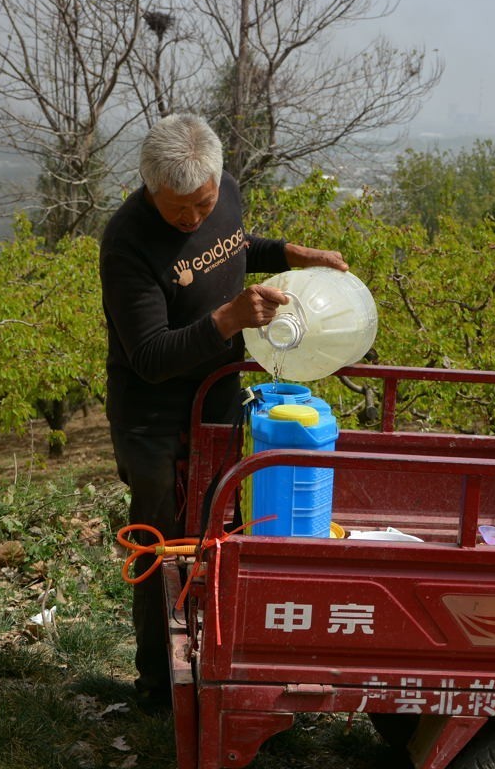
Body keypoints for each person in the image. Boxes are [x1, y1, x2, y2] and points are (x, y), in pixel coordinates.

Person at [99, 113, 346, 707]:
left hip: (217, 398)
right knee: (165, 548)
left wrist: (290, 252)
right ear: (148, 185)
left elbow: (230, 249)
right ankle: (160, 685)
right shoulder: (128, 242)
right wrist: (230, 319)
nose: (193, 218)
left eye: (203, 203)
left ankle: (209, 661)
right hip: (154, 418)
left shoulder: (223, 194)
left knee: (213, 535)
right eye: (178, 209)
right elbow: (152, 356)